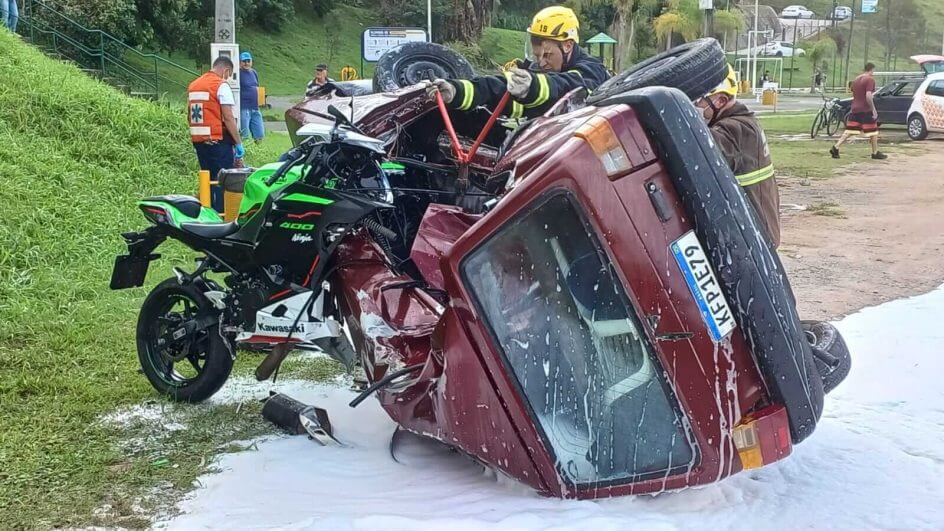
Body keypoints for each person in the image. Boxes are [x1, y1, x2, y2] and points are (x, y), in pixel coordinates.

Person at [425, 6, 609, 121]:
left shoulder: (592, 70)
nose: (541, 62)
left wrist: (533, 86)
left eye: (547, 55)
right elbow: (498, 88)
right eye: (537, 56)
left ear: (568, 46)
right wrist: (456, 91)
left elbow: (570, 87)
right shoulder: (538, 71)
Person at [696, 65, 781, 248]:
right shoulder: (745, 121)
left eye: (698, 101)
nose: (695, 107)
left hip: (754, 238)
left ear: (720, 101)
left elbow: (697, 151)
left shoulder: (735, 129)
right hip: (756, 230)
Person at [187, 55, 244, 212]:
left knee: (207, 180)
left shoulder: (194, 85)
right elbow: (228, 117)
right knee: (223, 181)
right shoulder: (220, 85)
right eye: (229, 74)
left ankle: (206, 212)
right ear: (225, 70)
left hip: (199, 141)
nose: (228, 78)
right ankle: (222, 216)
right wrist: (238, 143)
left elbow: (189, 114)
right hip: (218, 142)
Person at [830, 63, 886, 160]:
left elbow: (854, 92)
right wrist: (873, 109)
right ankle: (875, 152)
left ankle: (836, 147)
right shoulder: (870, 80)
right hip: (865, 109)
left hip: (855, 108)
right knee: (873, 131)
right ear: (871, 69)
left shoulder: (856, 79)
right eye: (873, 71)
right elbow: (868, 95)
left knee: (850, 130)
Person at [238, 51, 265, 143]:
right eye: (244, 61)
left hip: (255, 107)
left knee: (259, 133)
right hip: (243, 107)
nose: (246, 63)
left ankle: (258, 152)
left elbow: (257, 86)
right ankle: (244, 153)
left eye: (248, 61)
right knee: (244, 134)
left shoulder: (254, 72)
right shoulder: (237, 73)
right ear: (240, 62)